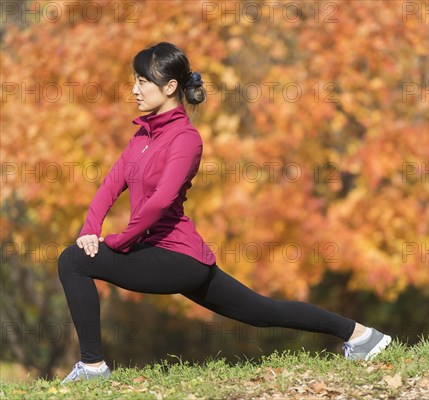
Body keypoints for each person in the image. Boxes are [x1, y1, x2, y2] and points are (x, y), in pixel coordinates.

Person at [58, 42, 392, 384]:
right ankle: (361, 336)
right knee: (263, 311)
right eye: (135, 80)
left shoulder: (185, 139)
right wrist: (89, 229)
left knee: (74, 261)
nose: (134, 89)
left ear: (170, 87)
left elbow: (160, 202)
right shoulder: (142, 135)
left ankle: (94, 367)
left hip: (179, 259)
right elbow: (111, 184)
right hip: (160, 252)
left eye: (142, 81)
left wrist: (116, 242)